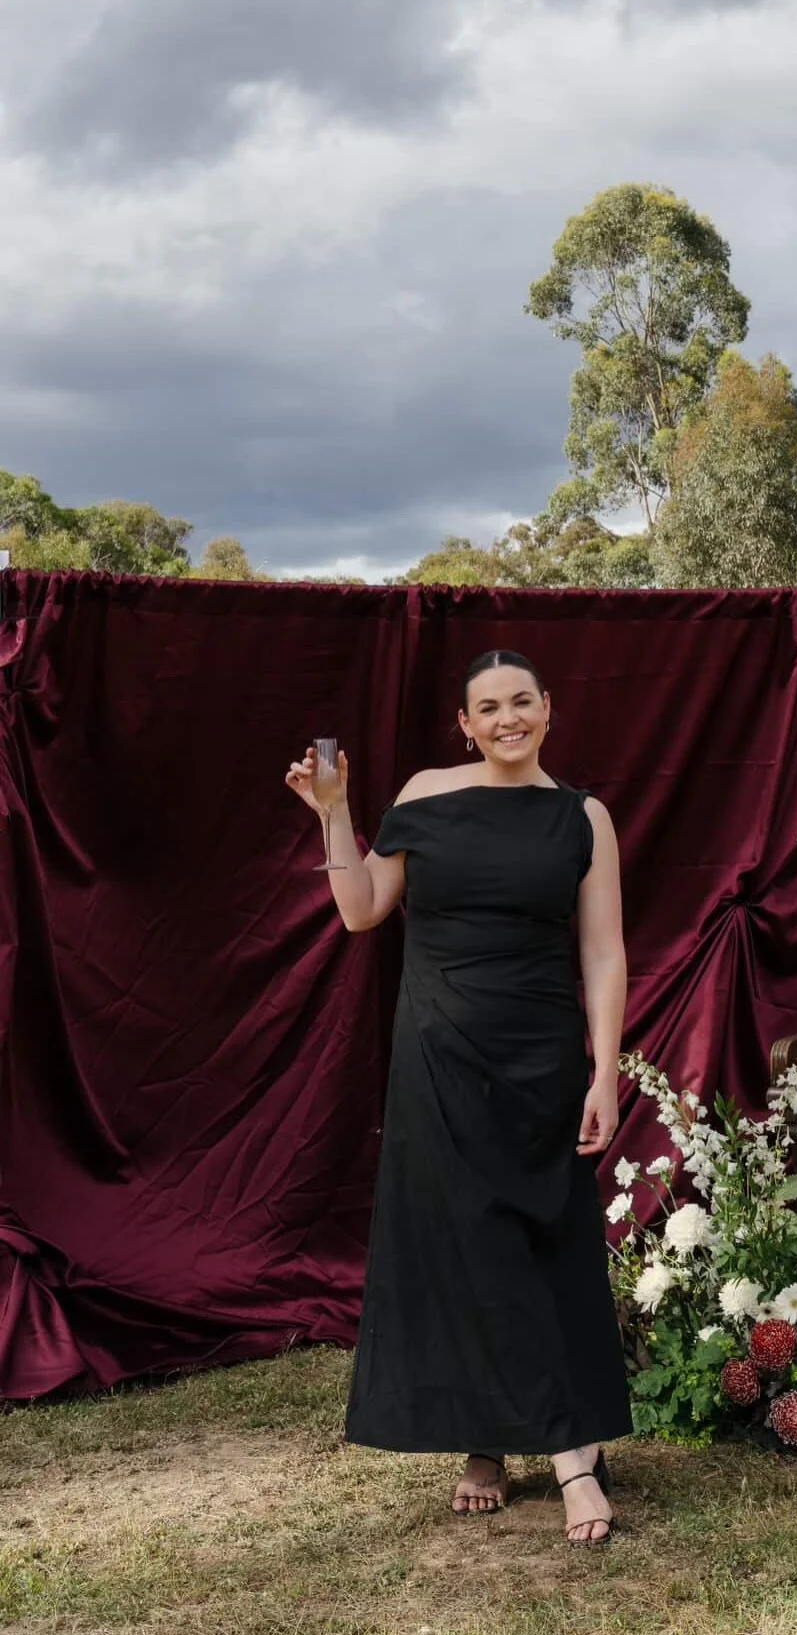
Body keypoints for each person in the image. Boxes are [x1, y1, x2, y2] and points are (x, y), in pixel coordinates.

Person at [285, 649, 631, 1546]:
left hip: (542, 1056)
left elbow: (603, 953)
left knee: (543, 1245)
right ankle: (483, 1443)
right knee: (459, 1248)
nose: (508, 718)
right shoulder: (425, 795)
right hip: (438, 1054)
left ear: (549, 707)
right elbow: (362, 910)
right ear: (466, 723)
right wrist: (336, 814)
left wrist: (604, 1070)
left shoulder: (583, 818)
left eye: (523, 701)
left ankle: (571, 1458)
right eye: (489, 707)